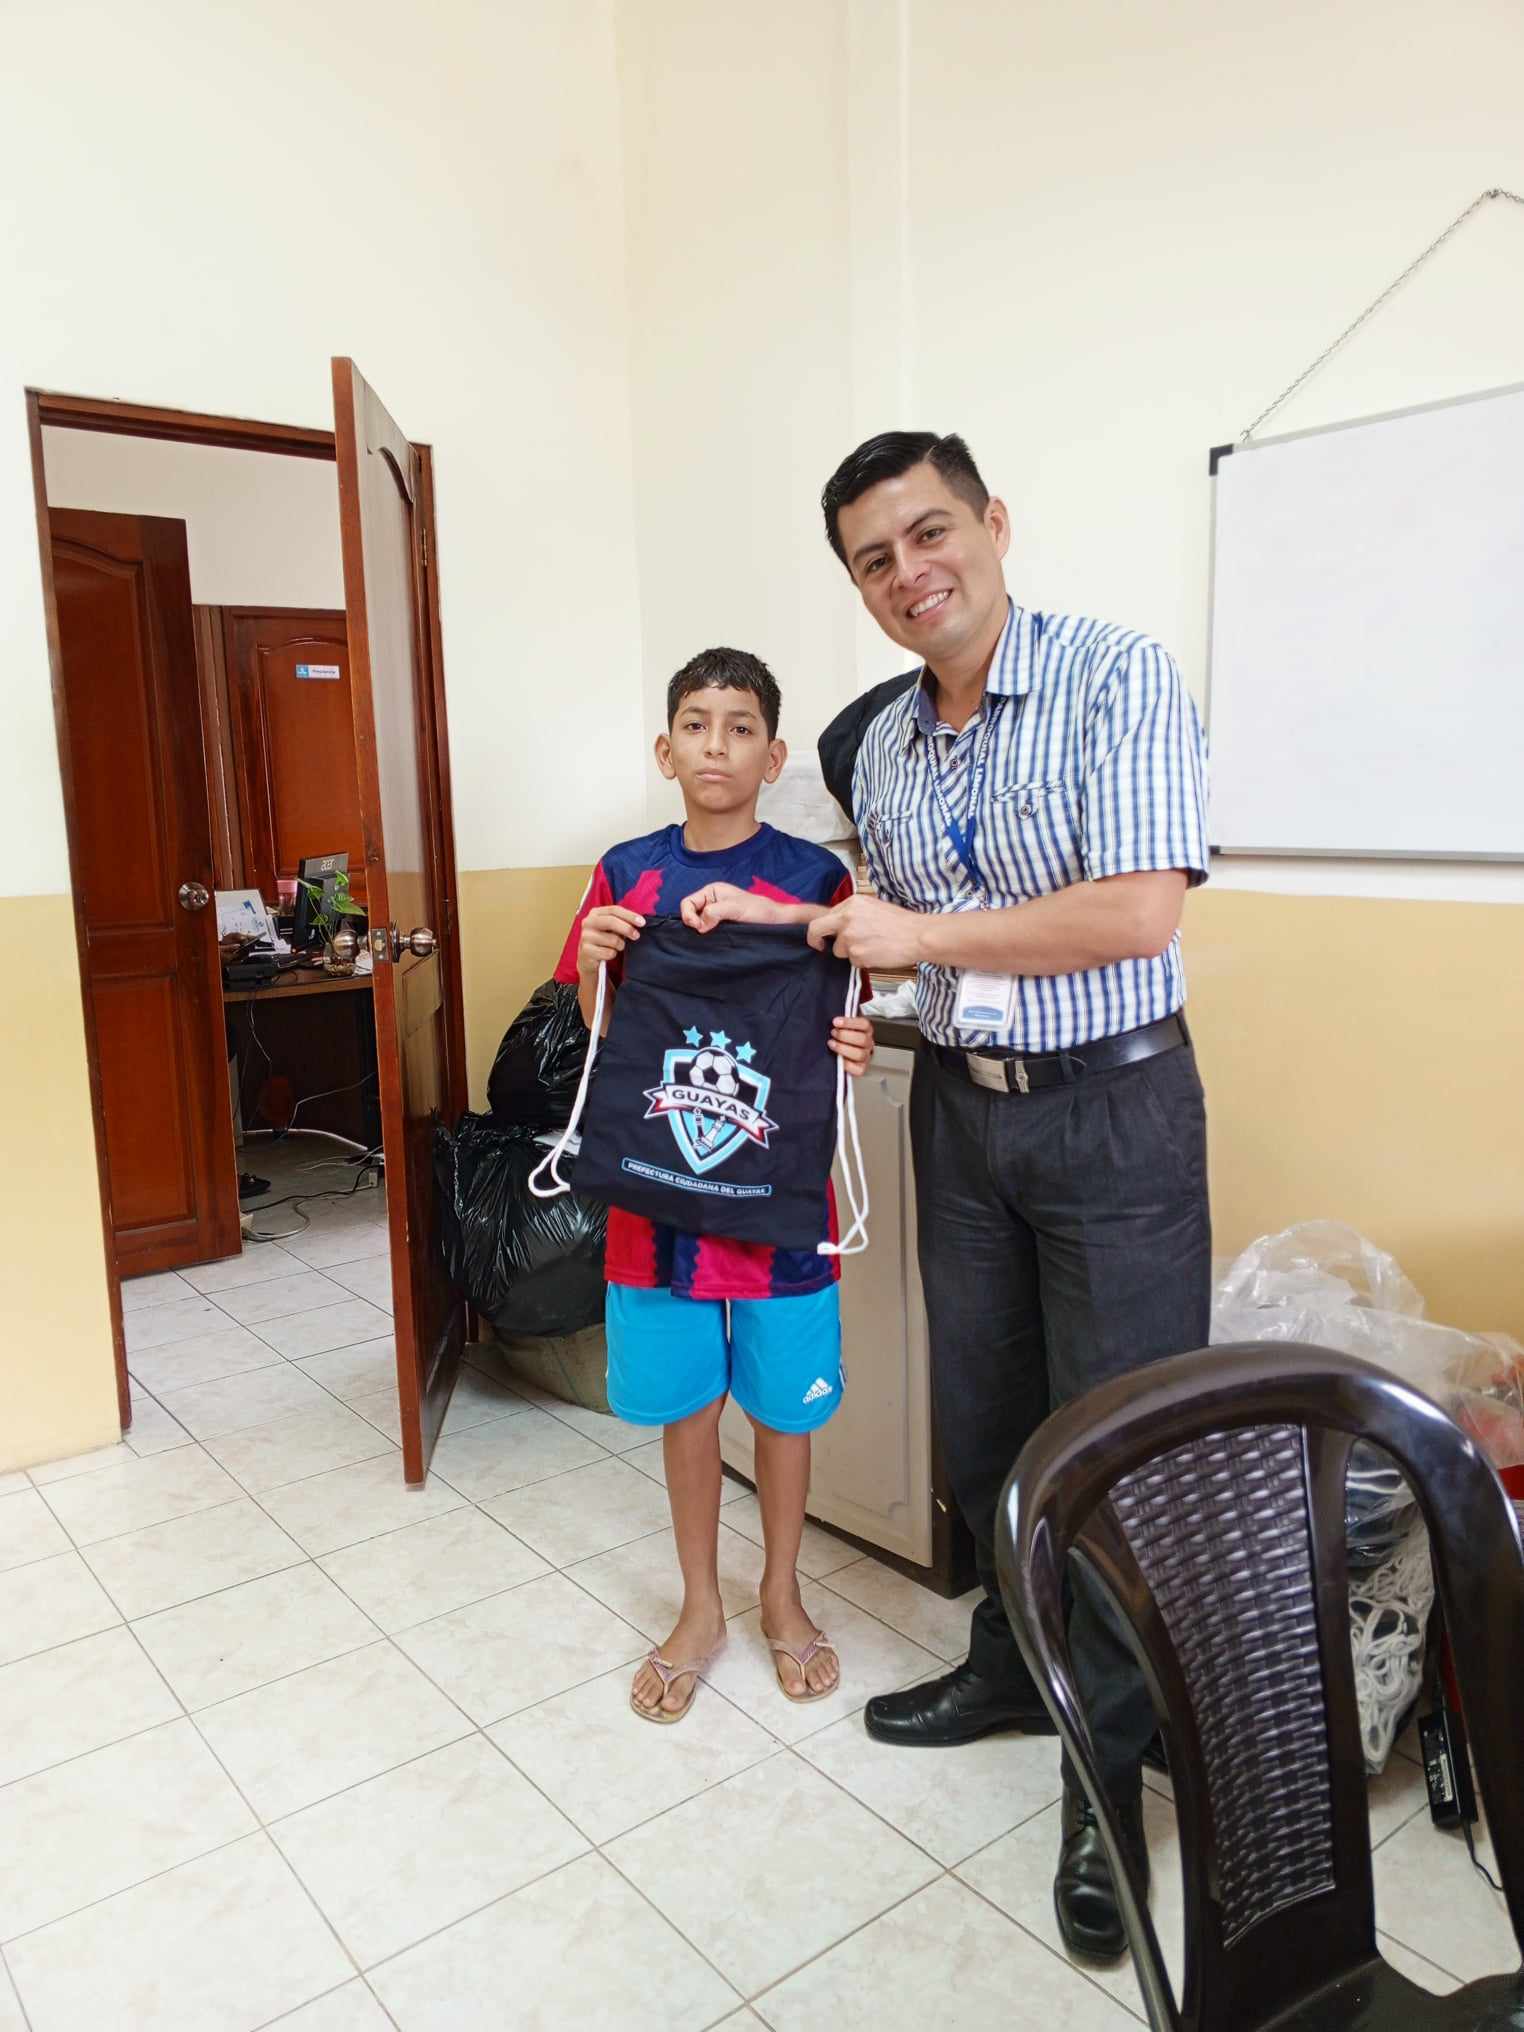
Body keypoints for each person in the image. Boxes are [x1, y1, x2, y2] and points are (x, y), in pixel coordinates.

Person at [809, 430, 1211, 1962]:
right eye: (875, 559)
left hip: (1115, 1113)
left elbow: (1136, 909)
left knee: (1108, 1459)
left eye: (929, 533)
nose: (910, 573)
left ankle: (1102, 1780)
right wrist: (866, 992)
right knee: (983, 1430)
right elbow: (898, 932)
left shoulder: (1117, 676)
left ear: (992, 521)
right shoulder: (883, 745)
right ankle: (1007, 1661)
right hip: (963, 1121)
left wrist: (919, 939)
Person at [555, 645, 875, 1724]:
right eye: (696, 724)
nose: (716, 746)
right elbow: (606, 1035)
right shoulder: (625, 873)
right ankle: (701, 1607)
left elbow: (846, 1008)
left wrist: (853, 1041)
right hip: (659, 1202)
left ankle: (781, 1594)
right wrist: (594, 963)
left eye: (741, 728)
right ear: (665, 748)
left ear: (773, 756)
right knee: (686, 1405)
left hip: (782, 1200)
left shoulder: (816, 882)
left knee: (785, 1409)